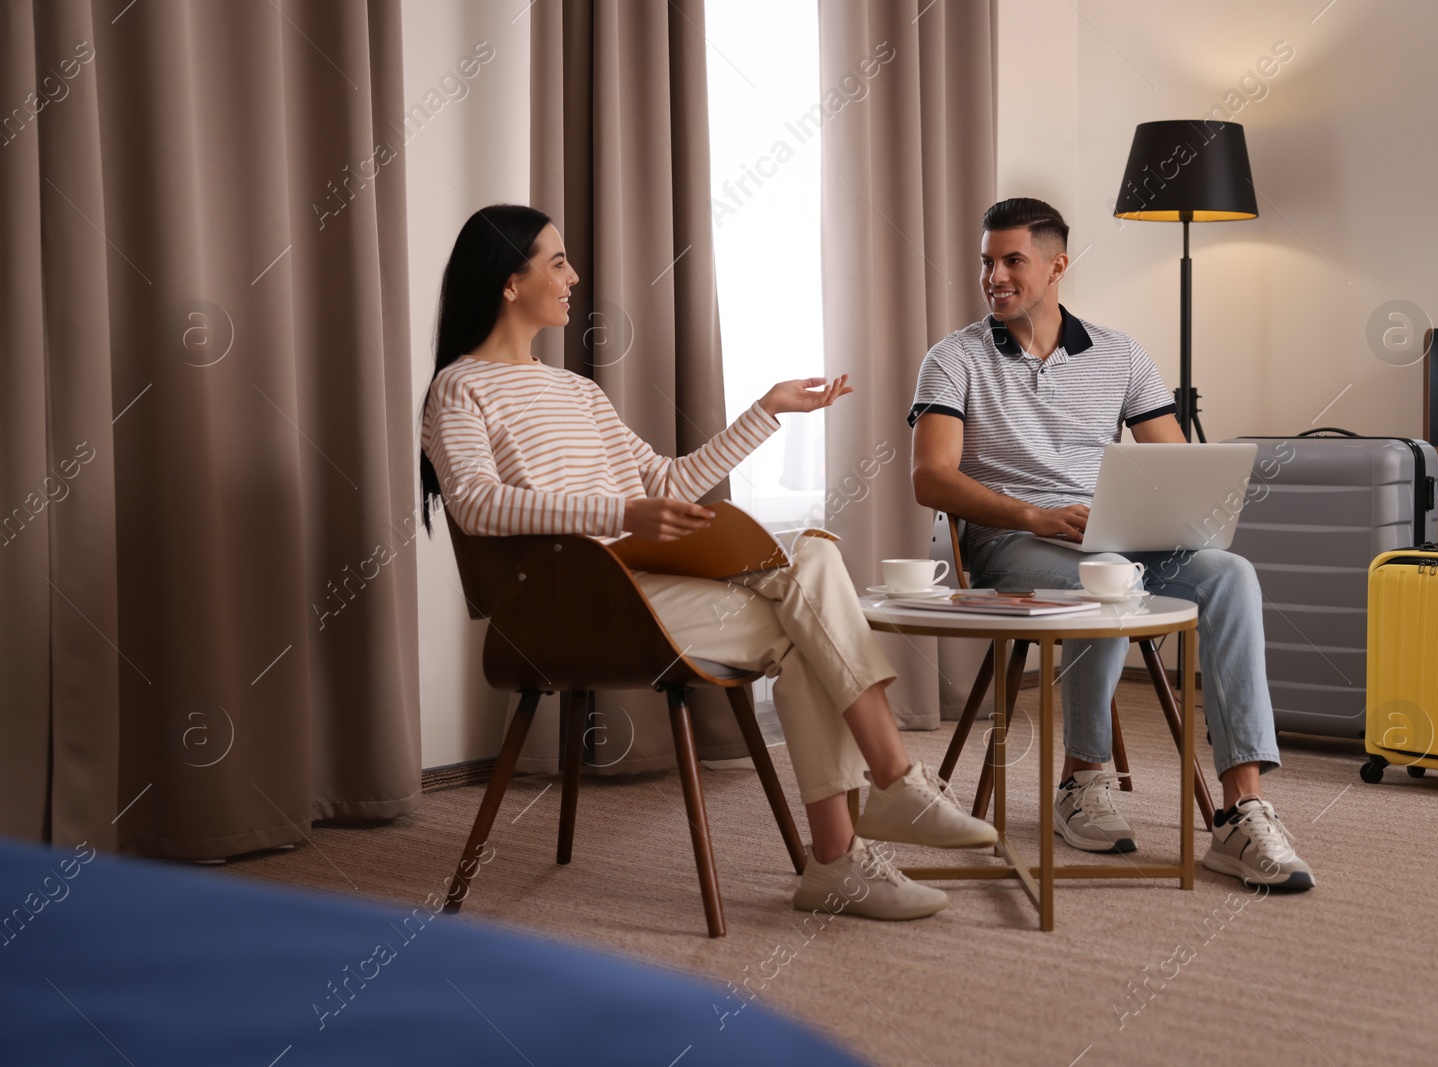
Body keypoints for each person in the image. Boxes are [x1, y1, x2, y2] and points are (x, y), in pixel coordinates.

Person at [419, 204, 997, 921]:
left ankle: (861, 831)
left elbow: (664, 483)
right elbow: (476, 504)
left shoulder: (578, 391)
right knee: (807, 621)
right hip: (566, 605)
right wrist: (618, 514)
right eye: (557, 261)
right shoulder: (459, 388)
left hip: (643, 586)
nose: (574, 275)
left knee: (811, 569)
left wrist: (767, 409)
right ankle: (873, 809)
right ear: (511, 283)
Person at [908, 197, 1315, 891]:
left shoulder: (1121, 354)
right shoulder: (953, 359)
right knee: (1104, 575)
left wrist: (1164, 513)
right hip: (1011, 542)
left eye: (1013, 260)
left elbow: (1176, 466)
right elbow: (931, 478)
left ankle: (1241, 808)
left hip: (1115, 540)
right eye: (987, 262)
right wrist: (1034, 516)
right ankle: (1081, 779)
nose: (995, 276)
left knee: (1229, 573)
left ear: (1058, 265)